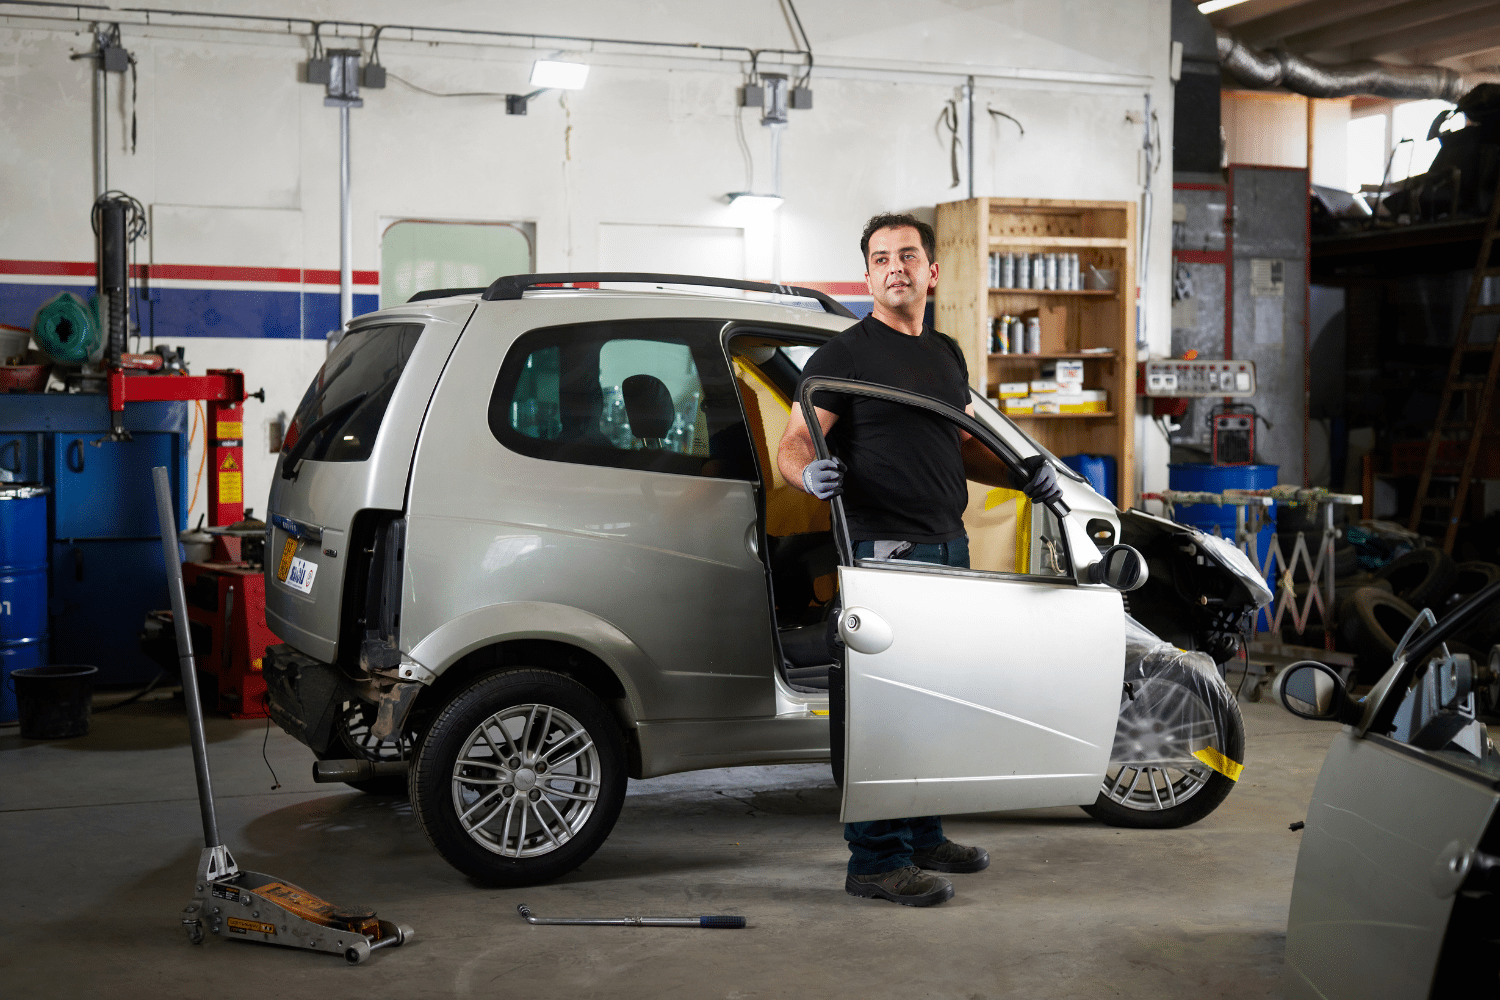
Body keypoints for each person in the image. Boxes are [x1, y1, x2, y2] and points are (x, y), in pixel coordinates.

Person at [775, 212, 1063, 907]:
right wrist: (807, 475)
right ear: (868, 277)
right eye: (881, 259)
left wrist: (1020, 473)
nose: (895, 268)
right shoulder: (843, 355)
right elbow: (795, 443)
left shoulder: (944, 355)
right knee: (887, 710)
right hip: (884, 551)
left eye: (907, 255)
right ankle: (876, 860)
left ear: (931, 272)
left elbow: (960, 447)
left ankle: (924, 835)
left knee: (935, 701)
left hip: (946, 542)